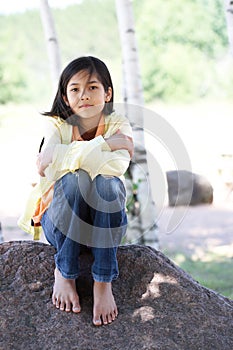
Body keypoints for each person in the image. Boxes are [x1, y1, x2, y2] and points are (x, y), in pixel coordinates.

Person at [18, 56, 133, 326]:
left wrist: (64, 156)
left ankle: (103, 282)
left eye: (93, 87)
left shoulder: (119, 125)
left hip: (101, 227)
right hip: (60, 223)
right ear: (65, 96)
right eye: (75, 88)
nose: (84, 95)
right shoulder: (57, 126)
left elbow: (116, 166)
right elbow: (47, 167)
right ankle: (65, 271)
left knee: (106, 183)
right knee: (73, 181)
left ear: (107, 93)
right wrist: (106, 145)